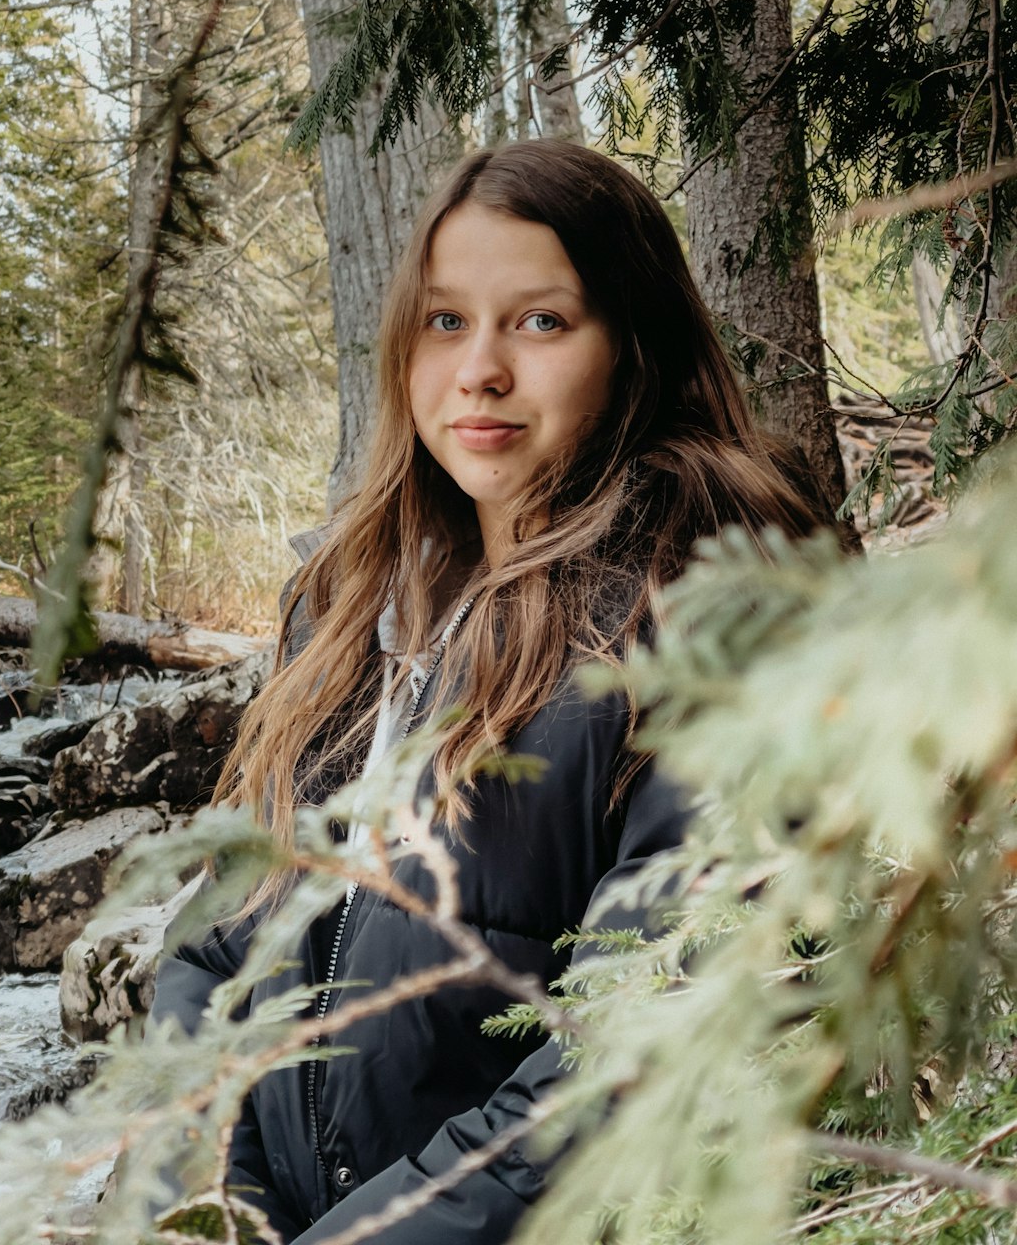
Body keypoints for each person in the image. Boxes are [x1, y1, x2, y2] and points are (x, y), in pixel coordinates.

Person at [150, 138, 827, 1244]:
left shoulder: (701, 611)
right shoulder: (343, 607)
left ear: (635, 346)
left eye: (542, 322)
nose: (479, 372)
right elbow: (217, 947)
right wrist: (224, 1210)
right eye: (446, 320)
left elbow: (636, 1046)